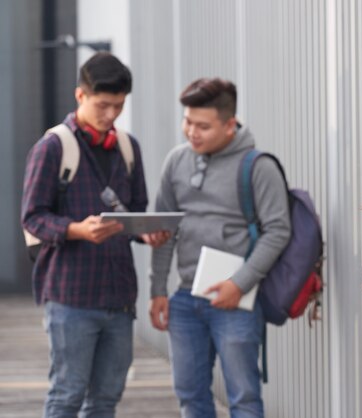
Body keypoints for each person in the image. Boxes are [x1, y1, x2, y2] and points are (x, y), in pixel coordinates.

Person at [21, 51, 170, 417]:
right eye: (103, 105)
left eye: (118, 106)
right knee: (67, 395)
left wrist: (146, 233)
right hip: (70, 297)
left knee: (106, 398)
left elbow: (133, 210)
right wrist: (76, 230)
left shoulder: (127, 147)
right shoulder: (52, 148)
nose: (110, 115)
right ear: (80, 96)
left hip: (119, 297)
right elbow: (32, 217)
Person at [149, 77, 291, 418]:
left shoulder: (258, 166)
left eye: (203, 126)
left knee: (243, 398)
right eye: (187, 122)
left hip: (235, 300)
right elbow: (164, 230)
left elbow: (278, 231)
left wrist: (238, 284)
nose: (191, 132)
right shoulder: (176, 162)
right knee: (190, 395)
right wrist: (157, 290)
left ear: (230, 125)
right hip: (184, 299)